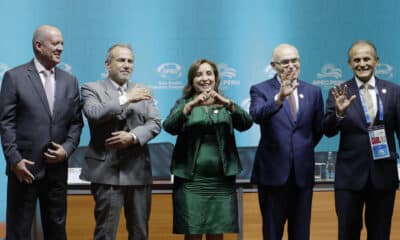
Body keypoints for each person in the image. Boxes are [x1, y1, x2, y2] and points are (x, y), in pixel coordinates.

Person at [0, 25, 83, 240]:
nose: (61, 48)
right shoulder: (14, 77)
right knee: (19, 231)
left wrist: (66, 149)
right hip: (24, 170)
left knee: (56, 232)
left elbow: (76, 123)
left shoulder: (70, 81)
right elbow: (5, 123)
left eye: (62, 43)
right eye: (55, 43)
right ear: (38, 45)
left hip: (57, 171)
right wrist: (14, 160)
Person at [163, 59, 252, 240]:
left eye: (209, 73)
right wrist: (189, 107)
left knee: (216, 233)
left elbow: (246, 123)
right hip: (191, 182)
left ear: (216, 78)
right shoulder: (184, 104)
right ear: (192, 80)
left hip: (221, 182)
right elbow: (169, 126)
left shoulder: (226, 105)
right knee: (193, 233)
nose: (204, 78)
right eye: (199, 74)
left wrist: (228, 104)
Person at [79, 43, 161, 240]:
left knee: (140, 233)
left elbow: (155, 123)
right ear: (108, 64)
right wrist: (125, 98)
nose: (126, 65)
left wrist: (132, 137)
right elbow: (94, 113)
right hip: (106, 173)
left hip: (138, 172)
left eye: (130, 61)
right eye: (121, 60)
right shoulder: (91, 88)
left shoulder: (144, 91)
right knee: (105, 234)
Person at [323, 41, 400, 240]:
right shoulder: (339, 91)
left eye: (367, 59)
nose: (362, 63)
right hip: (349, 179)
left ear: (376, 61)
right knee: (347, 234)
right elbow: (329, 131)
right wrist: (339, 114)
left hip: (383, 176)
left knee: (380, 234)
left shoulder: (394, 91)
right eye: (356, 60)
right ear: (349, 64)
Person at [249, 44, 324, 240]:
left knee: (301, 233)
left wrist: (299, 150)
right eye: (285, 62)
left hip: (302, 174)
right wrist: (279, 98)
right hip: (273, 174)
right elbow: (256, 115)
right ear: (274, 65)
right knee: (272, 233)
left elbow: (317, 130)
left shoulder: (313, 91)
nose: (291, 65)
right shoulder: (261, 90)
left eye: (294, 60)